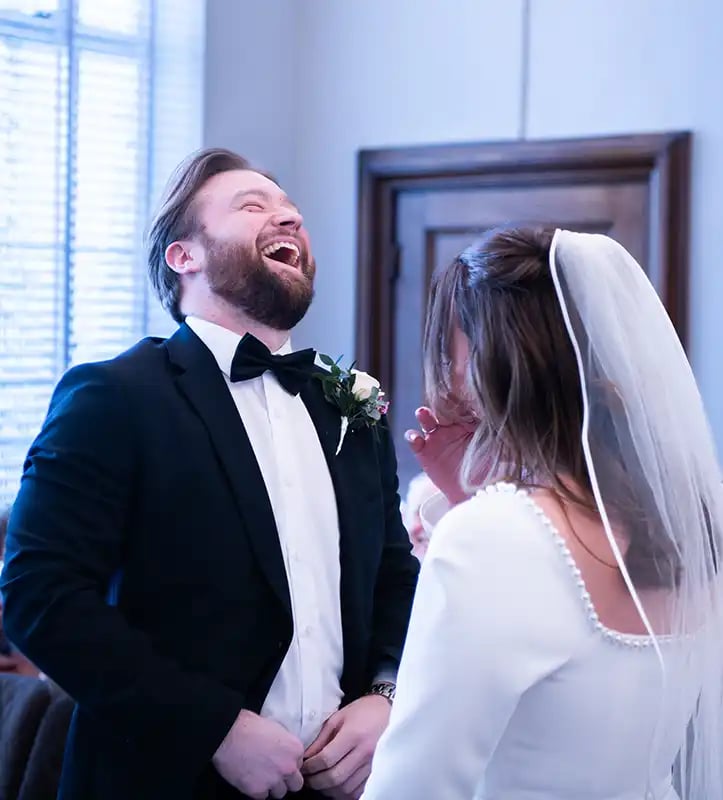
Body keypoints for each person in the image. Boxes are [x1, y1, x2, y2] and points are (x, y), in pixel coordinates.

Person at [1, 148, 419, 800]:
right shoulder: (114, 396)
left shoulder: (350, 408)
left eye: (293, 214)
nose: (288, 220)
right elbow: (39, 597)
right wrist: (214, 729)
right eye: (253, 206)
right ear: (184, 256)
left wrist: (384, 694)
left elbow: (395, 576)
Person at [362, 227, 723, 800]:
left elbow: (414, 786)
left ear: (493, 360)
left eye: (453, 348)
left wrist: (476, 516)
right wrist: (478, 496)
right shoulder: (687, 524)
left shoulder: (488, 540)